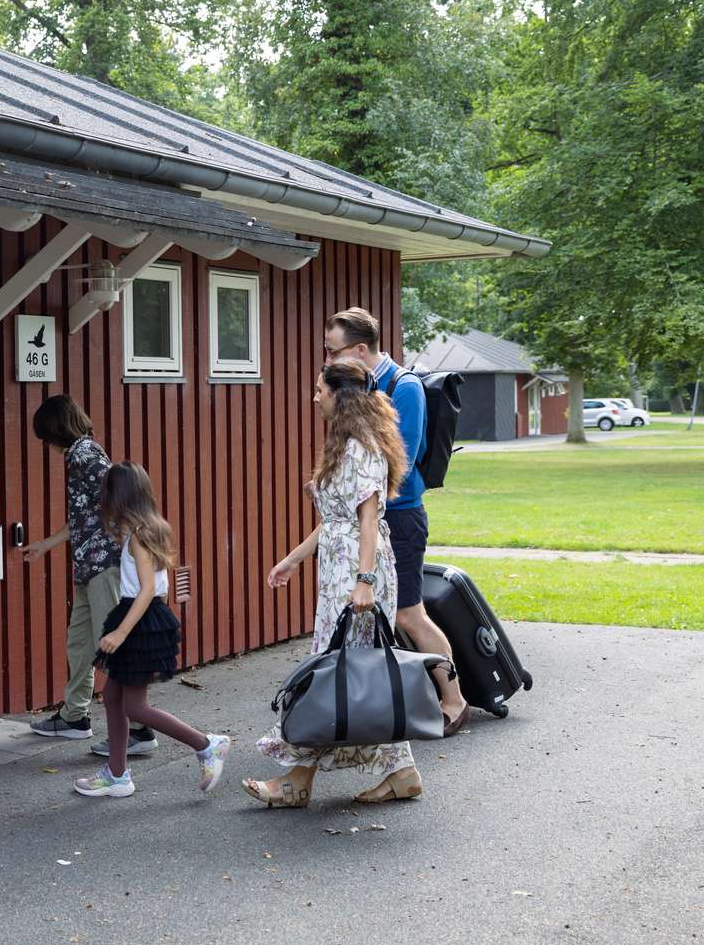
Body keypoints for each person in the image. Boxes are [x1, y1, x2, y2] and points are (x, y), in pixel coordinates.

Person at [243, 359, 424, 807]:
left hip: (358, 571)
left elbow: (366, 519)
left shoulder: (361, 448)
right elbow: (335, 521)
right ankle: (401, 772)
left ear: (339, 396)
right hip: (341, 567)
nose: (314, 396)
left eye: (319, 389)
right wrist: (293, 559)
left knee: (336, 670)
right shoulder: (345, 444)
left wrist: (363, 582)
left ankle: (296, 779)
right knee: (358, 670)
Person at [324, 308, 470, 734]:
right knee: (391, 616)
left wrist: (358, 484)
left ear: (360, 349)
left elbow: (399, 464)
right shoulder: (359, 388)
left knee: (409, 615)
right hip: (371, 522)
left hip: (400, 518)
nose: (329, 362)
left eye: (334, 352)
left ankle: (455, 700)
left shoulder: (403, 388)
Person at [73, 462, 230, 798]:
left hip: (138, 618)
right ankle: (117, 775)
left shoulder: (140, 535)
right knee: (114, 696)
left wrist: (121, 633)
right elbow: (160, 588)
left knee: (134, 706)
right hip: (142, 617)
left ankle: (206, 744)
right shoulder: (148, 527)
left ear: (120, 496)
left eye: (106, 494)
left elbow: (147, 590)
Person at [22, 395, 155, 755]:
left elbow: (120, 496)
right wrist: (45, 545)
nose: (47, 446)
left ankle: (141, 728)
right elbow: (85, 515)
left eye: (45, 438)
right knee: (80, 643)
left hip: (104, 567)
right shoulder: (82, 453)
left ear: (55, 430)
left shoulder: (83, 455)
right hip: (87, 566)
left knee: (115, 645)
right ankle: (74, 716)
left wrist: (137, 544)